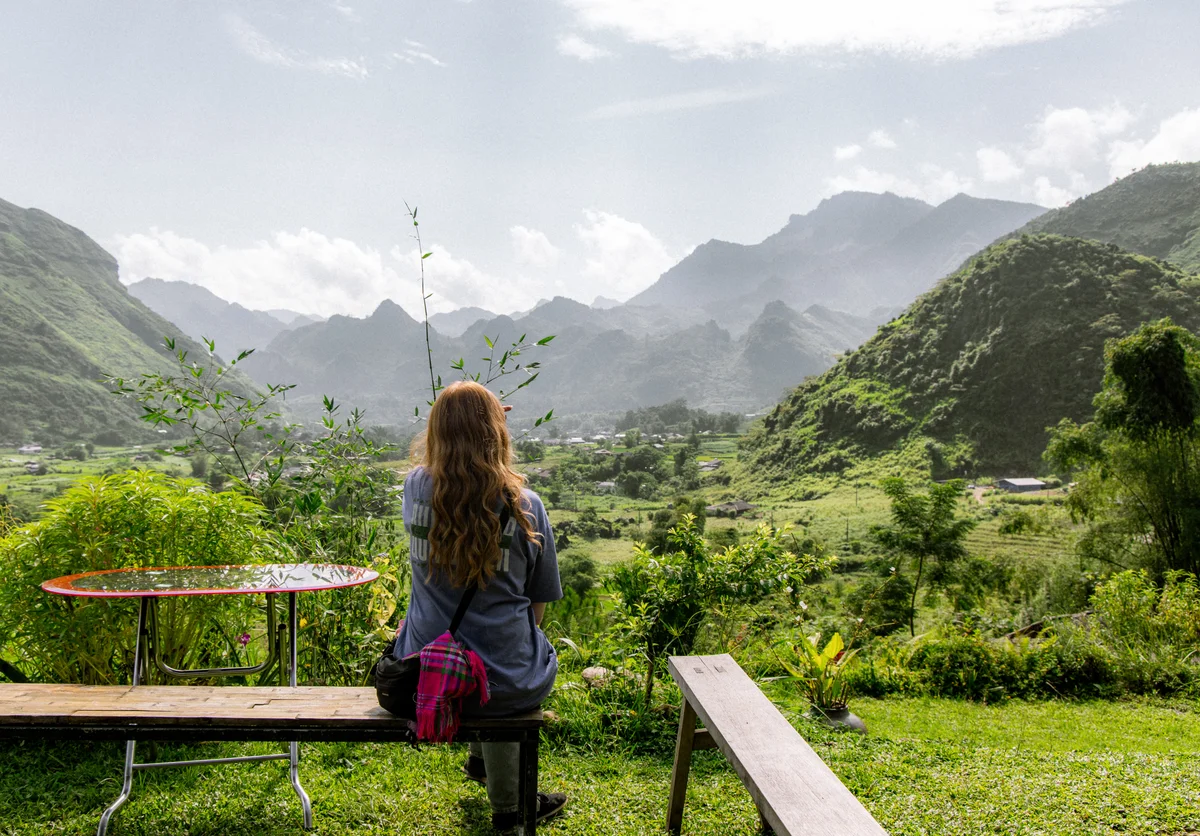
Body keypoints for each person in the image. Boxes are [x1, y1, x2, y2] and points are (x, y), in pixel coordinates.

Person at [396, 380, 567, 831]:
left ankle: (480, 763)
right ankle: (507, 810)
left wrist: (466, 419)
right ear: (498, 433)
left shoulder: (416, 489)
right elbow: (539, 602)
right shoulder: (526, 507)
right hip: (507, 682)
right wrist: (489, 419)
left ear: (436, 432)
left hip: (428, 673)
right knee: (509, 658)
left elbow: (448, 477)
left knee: (470, 654)